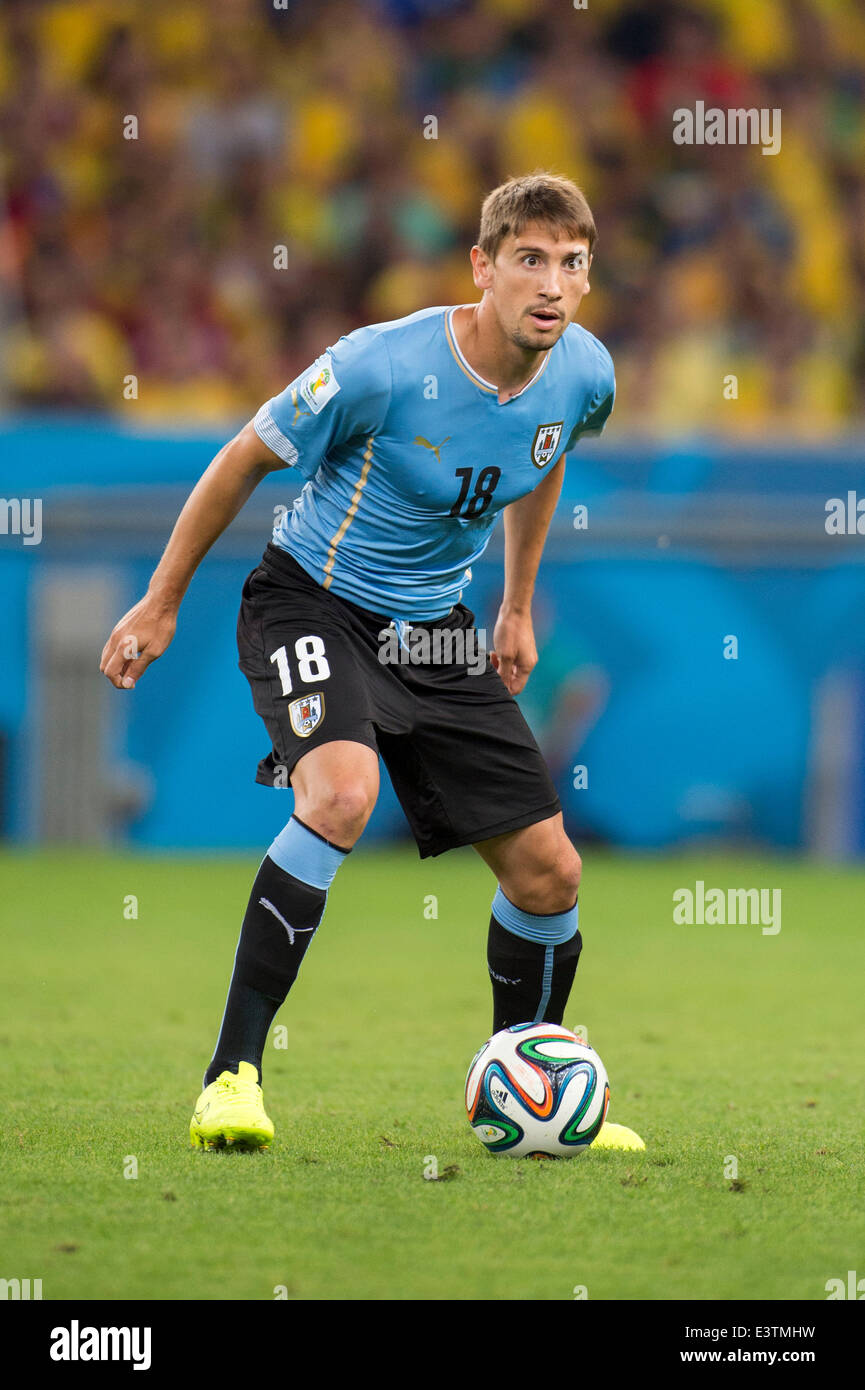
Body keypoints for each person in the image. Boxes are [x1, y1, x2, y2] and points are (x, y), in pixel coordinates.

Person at [100, 171, 635, 1153]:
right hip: (314, 602)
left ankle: (531, 1082)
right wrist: (161, 600)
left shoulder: (582, 371)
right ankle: (231, 1077)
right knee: (340, 795)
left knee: (551, 873)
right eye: (527, 258)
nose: (550, 282)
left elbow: (544, 452)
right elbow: (242, 457)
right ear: (481, 267)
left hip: (434, 629)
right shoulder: (376, 367)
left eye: (570, 263)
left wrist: (515, 604)